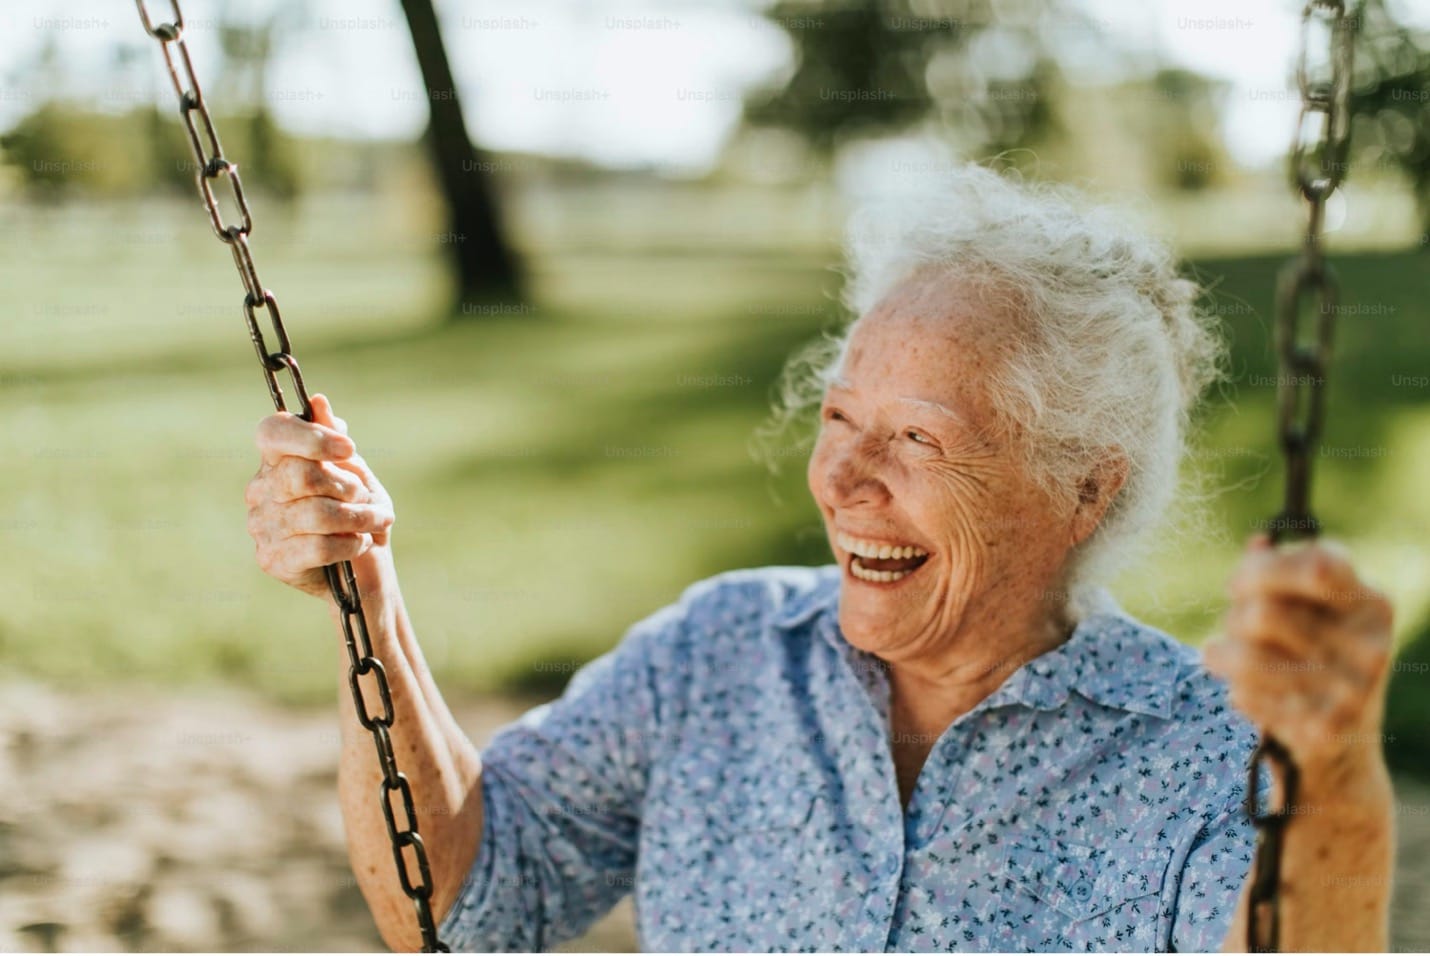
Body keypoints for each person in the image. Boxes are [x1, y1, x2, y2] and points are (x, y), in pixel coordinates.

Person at [244, 165, 1395, 952]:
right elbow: (462, 903)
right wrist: (368, 600)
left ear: (1081, 484)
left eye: (917, 440)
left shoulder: (1195, 746)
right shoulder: (717, 653)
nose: (842, 482)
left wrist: (1334, 767)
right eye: (840, 420)